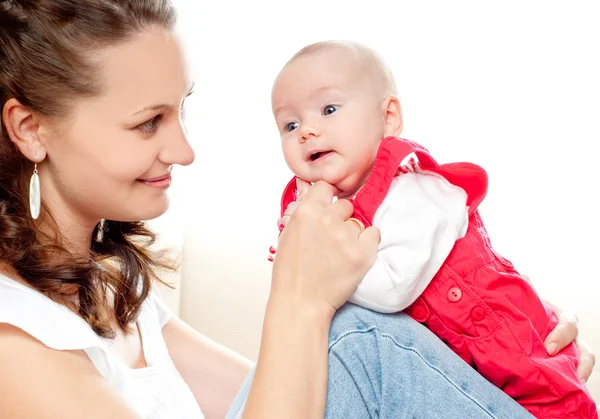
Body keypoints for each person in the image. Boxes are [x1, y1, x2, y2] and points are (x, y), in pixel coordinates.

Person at [0, 1, 594, 418]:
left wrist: (503, 358)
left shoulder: (114, 290)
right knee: (358, 335)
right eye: (148, 122)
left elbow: (308, 394)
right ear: (30, 129)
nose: (185, 150)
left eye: (181, 110)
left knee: (366, 341)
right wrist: (302, 299)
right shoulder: (13, 345)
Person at [271, 40, 597, 417]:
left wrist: (308, 270)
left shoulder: (419, 190)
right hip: (468, 374)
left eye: (328, 109)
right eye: (289, 124)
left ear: (389, 116)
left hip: (525, 375)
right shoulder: (325, 210)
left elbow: (393, 290)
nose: (306, 131)